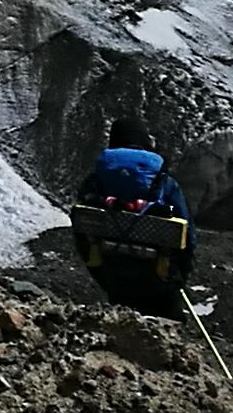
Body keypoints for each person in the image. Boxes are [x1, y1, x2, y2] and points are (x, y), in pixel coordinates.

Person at [72, 116, 195, 315]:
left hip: (112, 270)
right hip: (160, 274)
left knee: (122, 317)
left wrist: (100, 272)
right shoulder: (164, 182)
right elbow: (188, 235)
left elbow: (81, 226)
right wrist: (180, 276)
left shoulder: (96, 180)